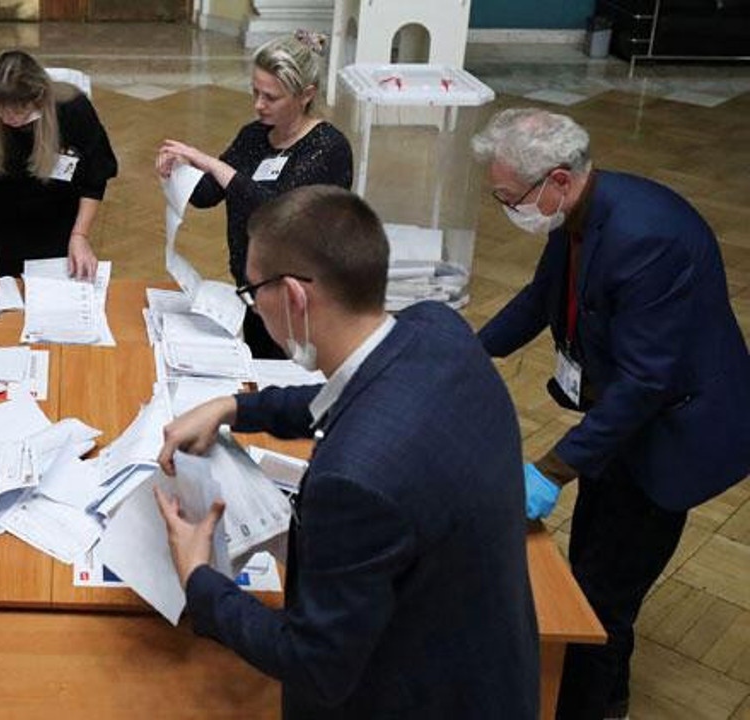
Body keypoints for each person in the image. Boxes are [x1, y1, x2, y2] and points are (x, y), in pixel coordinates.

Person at [154, 186, 539, 718]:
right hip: (492, 663)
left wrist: (201, 580)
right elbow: (358, 392)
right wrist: (235, 408)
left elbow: (316, 662)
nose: (254, 306)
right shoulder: (437, 328)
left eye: (252, 290)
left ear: (293, 297)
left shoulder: (353, 483)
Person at [472, 108, 750, 720]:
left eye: (509, 198)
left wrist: (551, 469)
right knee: (591, 567)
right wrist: (466, 352)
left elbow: (646, 384)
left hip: (672, 434)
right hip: (620, 420)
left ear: (558, 180)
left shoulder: (647, 239)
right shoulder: (576, 214)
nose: (507, 209)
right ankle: (599, 691)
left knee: (603, 597)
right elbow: (539, 299)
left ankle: (589, 707)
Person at [154, 31, 352, 359]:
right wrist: (180, 168)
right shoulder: (254, 136)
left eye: (271, 97)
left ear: (306, 95)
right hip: (255, 294)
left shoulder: (328, 148)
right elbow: (208, 194)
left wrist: (215, 165)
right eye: (255, 92)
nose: (258, 105)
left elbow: (277, 213)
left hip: (304, 306)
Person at [0, 50, 118, 301]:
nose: (9, 118)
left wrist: (80, 236)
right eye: (0, 110)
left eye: (18, 111)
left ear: (38, 97)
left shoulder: (72, 110)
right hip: (1, 243)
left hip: (62, 239)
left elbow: (94, 179)